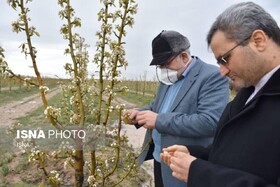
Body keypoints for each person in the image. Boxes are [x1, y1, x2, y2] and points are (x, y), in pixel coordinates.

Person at [161, 2, 280, 187]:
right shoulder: (248, 93)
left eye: (224, 59)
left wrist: (199, 173)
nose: (222, 72)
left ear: (258, 41)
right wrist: (195, 153)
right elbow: (233, 153)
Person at [125, 30, 229, 186]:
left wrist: (159, 120)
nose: (163, 69)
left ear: (184, 57)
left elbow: (210, 122)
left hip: (184, 165)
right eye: (160, 65)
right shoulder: (169, 78)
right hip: (159, 158)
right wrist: (138, 113)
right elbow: (157, 107)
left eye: (166, 63)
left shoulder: (212, 76)